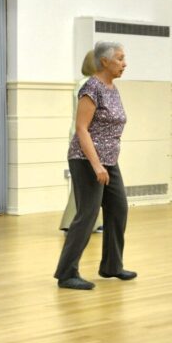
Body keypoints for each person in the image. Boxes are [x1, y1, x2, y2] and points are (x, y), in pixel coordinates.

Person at [54, 41, 133, 290]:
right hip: (86, 160)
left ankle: (111, 266)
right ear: (104, 62)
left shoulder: (112, 88)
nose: (124, 63)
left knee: (118, 209)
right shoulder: (92, 88)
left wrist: (105, 164)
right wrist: (97, 165)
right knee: (87, 215)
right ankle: (66, 273)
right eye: (120, 59)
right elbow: (81, 129)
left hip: (109, 161)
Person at [59, 50, 103, 233]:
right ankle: (79, 223)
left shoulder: (82, 83)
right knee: (89, 183)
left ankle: (75, 222)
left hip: (82, 136)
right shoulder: (90, 85)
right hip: (86, 138)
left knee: (85, 184)